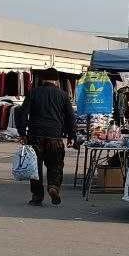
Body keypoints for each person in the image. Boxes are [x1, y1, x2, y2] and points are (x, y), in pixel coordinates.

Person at [16, 72, 76, 206]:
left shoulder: (33, 92)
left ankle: (37, 197)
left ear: (42, 79)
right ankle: (53, 186)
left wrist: (22, 133)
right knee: (56, 165)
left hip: (35, 136)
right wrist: (72, 136)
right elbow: (70, 117)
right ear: (57, 81)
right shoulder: (63, 95)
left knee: (35, 167)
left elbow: (23, 113)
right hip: (55, 136)